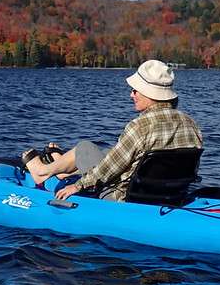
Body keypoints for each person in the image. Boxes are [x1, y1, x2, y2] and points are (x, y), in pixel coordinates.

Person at [23, 59, 202, 202]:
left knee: (84, 148)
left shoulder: (140, 127)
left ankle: (43, 172)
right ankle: (62, 168)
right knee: (107, 152)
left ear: (149, 93)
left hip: (124, 197)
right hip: (171, 195)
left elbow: (109, 168)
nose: (131, 94)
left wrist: (78, 186)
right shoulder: (191, 124)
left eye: (135, 90)